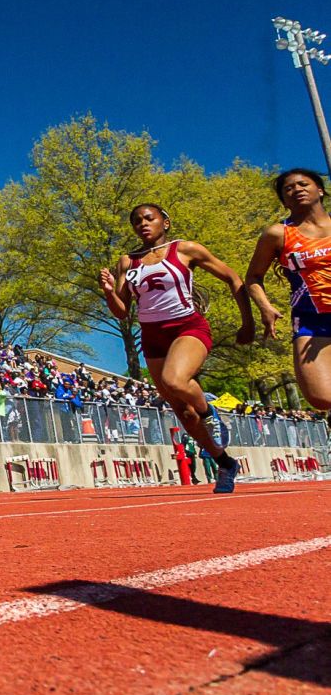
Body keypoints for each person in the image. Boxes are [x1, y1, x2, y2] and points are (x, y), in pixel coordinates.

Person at [99, 202, 252, 493]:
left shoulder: (185, 249)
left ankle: (210, 413)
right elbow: (121, 312)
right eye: (136, 221)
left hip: (187, 327)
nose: (143, 224)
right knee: (183, 413)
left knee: (175, 380)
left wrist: (248, 323)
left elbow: (233, 278)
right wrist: (108, 293)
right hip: (152, 335)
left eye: (149, 218)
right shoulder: (127, 261)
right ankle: (225, 463)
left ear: (164, 223)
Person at [245, 167, 331, 421]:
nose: (297, 189)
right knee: (320, 397)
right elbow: (252, 277)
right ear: (284, 200)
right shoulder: (278, 233)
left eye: (304, 184)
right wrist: (265, 307)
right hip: (311, 320)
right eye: (289, 188)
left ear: (320, 190)